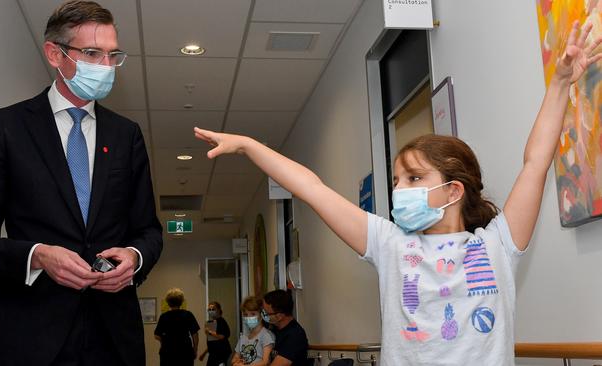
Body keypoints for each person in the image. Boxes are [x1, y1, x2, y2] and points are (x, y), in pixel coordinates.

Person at [194, 23, 602, 365]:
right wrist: (249, 146)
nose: (398, 192)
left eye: (412, 179)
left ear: (452, 190)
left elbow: (535, 162)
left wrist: (561, 82)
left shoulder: (497, 244)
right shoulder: (390, 245)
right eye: (396, 182)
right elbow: (312, 189)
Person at [0, 1, 163, 365]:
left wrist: (134, 257)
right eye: (93, 53)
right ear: (55, 54)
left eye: (113, 55)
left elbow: (148, 230)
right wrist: (37, 256)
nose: (106, 66)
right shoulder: (5, 128)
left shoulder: (126, 135)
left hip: (114, 340)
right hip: (29, 339)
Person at [260, 290, 308, 366]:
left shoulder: (295, 335)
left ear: (279, 316)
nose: (263, 315)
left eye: (266, 313)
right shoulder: (272, 328)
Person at [154, 288, 200, 366]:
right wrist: (195, 350)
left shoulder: (164, 316)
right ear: (181, 301)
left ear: (168, 302)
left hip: (167, 352)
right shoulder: (188, 315)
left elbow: (156, 335)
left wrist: (164, 342)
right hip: (185, 351)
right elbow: (195, 335)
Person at [231, 296, 275, 366]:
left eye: (253, 314)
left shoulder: (266, 335)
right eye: (245, 314)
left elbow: (265, 362)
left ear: (261, 315)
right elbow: (234, 359)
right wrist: (236, 362)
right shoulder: (243, 337)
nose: (248, 317)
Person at [199, 301, 233, 366]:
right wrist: (204, 354)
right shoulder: (211, 322)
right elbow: (212, 341)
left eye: (213, 309)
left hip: (221, 353)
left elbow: (222, 336)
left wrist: (210, 332)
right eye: (209, 309)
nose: (211, 311)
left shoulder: (222, 321)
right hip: (213, 354)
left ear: (219, 310)